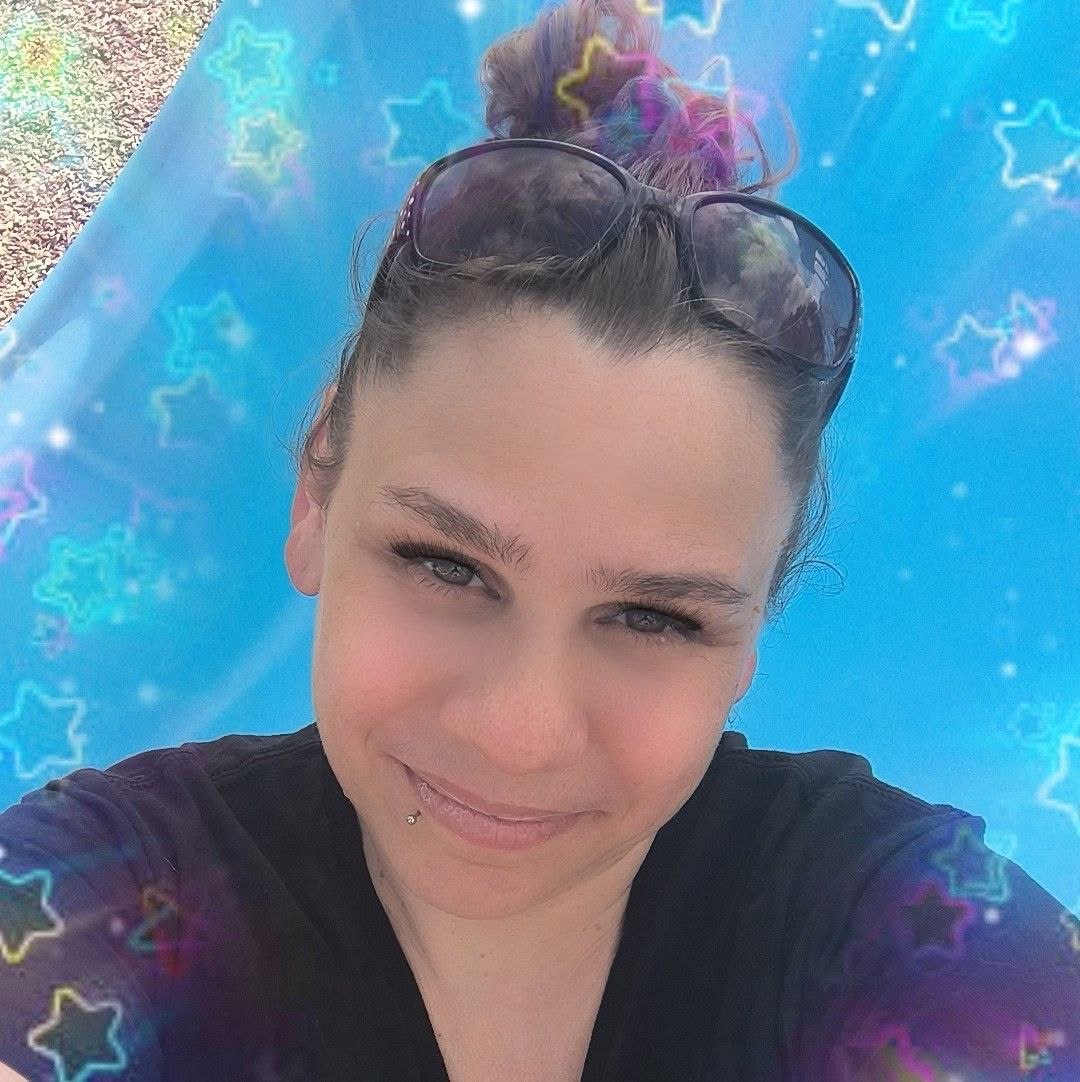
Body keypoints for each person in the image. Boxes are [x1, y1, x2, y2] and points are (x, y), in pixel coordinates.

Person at [1, 0, 1076, 1079]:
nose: (519, 736)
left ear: (758, 621)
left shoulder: (882, 911)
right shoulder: (105, 889)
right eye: (446, 564)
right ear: (318, 492)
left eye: (654, 616)